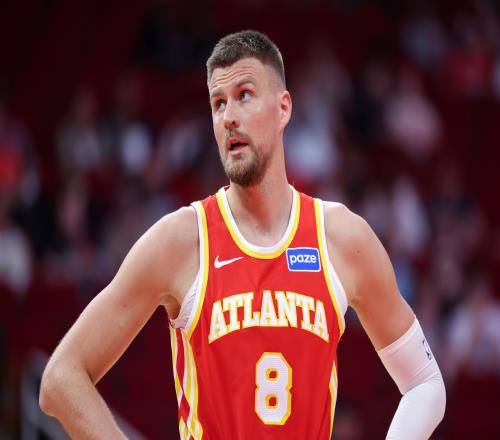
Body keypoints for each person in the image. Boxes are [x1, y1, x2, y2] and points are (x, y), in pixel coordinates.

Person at [39, 30, 446, 439]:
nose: (228, 116)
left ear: (283, 108)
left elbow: (425, 384)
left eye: (244, 95)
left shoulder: (341, 238)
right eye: (218, 103)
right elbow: (61, 378)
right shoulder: (182, 240)